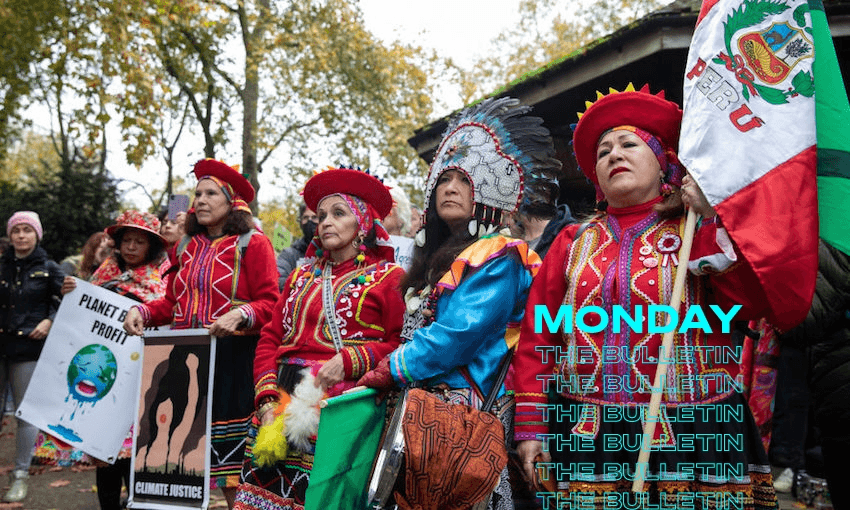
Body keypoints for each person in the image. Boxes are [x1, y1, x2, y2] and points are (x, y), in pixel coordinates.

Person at [513, 84, 777, 508]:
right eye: (603, 151)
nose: (614, 154)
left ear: (664, 163)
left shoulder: (695, 230)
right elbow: (537, 340)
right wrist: (531, 426)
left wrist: (710, 222)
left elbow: (752, 304)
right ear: (596, 178)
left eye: (629, 144)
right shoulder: (571, 242)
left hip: (693, 432)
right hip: (588, 433)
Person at [358, 97, 559, 509]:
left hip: (467, 413)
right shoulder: (432, 262)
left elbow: (459, 334)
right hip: (420, 411)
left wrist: (392, 367)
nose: (449, 188)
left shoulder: (502, 254)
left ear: (487, 190)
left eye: (463, 181)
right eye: (444, 180)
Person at [232, 166, 404, 510]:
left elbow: (400, 344)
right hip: (280, 403)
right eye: (322, 214)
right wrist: (266, 400)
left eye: (338, 214)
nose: (325, 221)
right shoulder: (299, 275)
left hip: (340, 410)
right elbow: (270, 338)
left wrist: (351, 360)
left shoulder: (390, 277)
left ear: (363, 223)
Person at [123, 159, 280, 508]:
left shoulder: (254, 244)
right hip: (184, 360)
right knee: (177, 466)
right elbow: (171, 303)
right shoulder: (184, 246)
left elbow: (272, 303)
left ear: (232, 202)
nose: (201, 200)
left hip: (233, 365)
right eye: (197, 194)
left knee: (230, 470)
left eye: (211, 193)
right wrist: (142, 311)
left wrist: (241, 314)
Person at [60, 210, 167, 510]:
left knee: (135, 456)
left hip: (139, 384)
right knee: (103, 453)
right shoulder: (101, 277)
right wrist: (70, 293)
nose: (131, 247)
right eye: (127, 240)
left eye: (139, 242)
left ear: (152, 248)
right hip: (103, 379)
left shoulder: (160, 284)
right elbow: (79, 323)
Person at [0, 211, 64, 503]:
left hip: (29, 349)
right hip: (1, 345)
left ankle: (21, 476)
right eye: (17, 230)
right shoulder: (1, 266)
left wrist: (50, 320)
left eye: (27, 230)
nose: (21, 235)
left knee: (26, 414)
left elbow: (68, 301)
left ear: (37, 234)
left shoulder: (50, 268)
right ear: (10, 235)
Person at [275, 203, 317, 290]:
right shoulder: (289, 254)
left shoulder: (332, 252)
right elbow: (278, 279)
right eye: (305, 218)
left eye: (314, 217)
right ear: (300, 222)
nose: (310, 221)